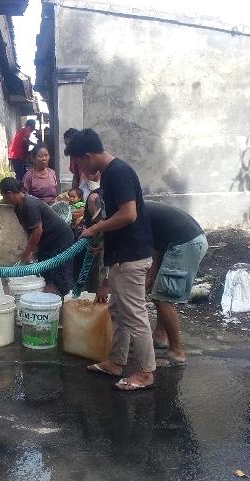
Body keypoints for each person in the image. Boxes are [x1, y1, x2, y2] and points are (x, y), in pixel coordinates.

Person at [66, 128, 156, 392]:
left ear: (89, 155)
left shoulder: (119, 172)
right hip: (120, 256)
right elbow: (116, 216)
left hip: (131, 257)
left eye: (80, 162)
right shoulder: (109, 174)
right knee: (118, 311)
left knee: (135, 315)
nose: (81, 169)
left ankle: (146, 372)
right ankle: (116, 362)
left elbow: (129, 214)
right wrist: (99, 240)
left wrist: (95, 229)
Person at [145, 201, 208, 365]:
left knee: (163, 298)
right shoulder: (140, 207)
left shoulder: (132, 213)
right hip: (183, 240)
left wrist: (149, 274)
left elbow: (147, 245)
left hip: (185, 243)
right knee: (158, 291)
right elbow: (156, 244)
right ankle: (160, 336)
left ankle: (177, 351)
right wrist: (152, 274)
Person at [0, 177, 75, 297]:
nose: (4, 199)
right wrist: (32, 249)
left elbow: (37, 231)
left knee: (61, 272)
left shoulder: (30, 204)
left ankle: (67, 301)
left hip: (60, 239)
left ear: (9, 193)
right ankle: (50, 298)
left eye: (4, 195)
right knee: (45, 273)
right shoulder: (18, 207)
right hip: (47, 242)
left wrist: (27, 252)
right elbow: (29, 231)